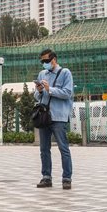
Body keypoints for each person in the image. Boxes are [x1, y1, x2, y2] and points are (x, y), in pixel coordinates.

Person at [34, 49, 74, 190]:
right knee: (44, 149)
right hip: (44, 116)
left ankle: (66, 178)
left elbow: (67, 93)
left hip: (59, 116)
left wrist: (50, 89)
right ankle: (46, 177)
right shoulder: (42, 74)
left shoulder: (65, 73)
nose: (44, 64)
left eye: (46, 61)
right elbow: (37, 96)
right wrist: (39, 91)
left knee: (63, 148)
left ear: (54, 59)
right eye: (42, 61)